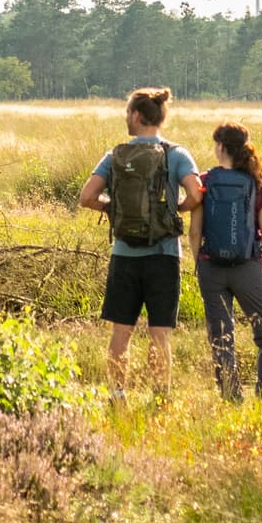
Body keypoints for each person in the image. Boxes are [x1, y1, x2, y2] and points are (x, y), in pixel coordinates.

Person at [79, 85, 199, 401]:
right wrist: (177, 210)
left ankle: (118, 395)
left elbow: (86, 197)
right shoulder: (177, 154)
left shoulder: (115, 156)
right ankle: (160, 396)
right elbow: (197, 193)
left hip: (124, 255)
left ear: (135, 115)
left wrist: (111, 207)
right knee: (160, 334)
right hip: (164, 255)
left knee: (121, 333)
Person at [198, 121, 262, 398]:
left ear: (220, 147)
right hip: (248, 268)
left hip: (211, 267)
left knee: (221, 335)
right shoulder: (260, 185)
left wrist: (199, 262)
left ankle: (231, 398)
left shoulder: (204, 181)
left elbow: (195, 230)